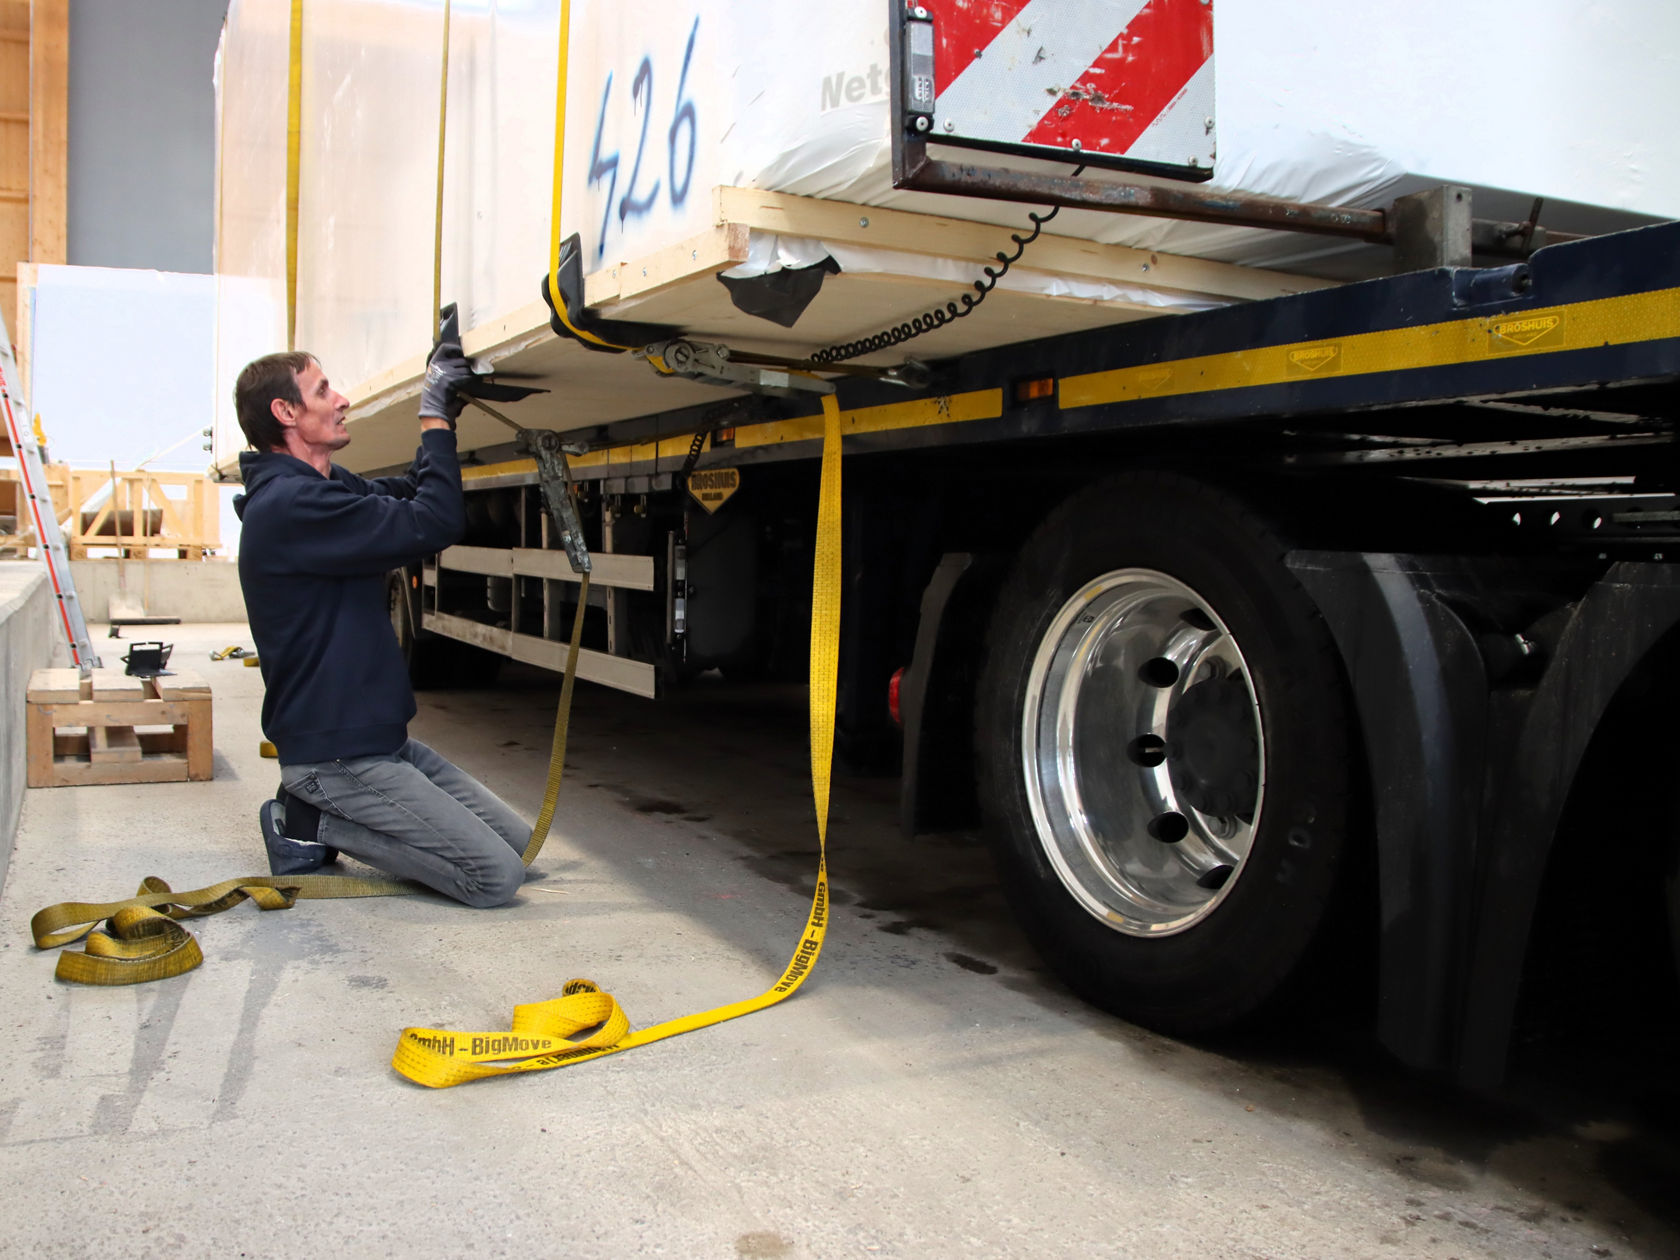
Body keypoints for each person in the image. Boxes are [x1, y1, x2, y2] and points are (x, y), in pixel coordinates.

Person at [231, 322, 529, 907]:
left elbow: (416, 491)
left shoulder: (323, 489)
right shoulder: (292, 507)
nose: (341, 400)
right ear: (285, 413)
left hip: (383, 744)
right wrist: (430, 417)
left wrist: (446, 410)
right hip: (335, 754)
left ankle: (317, 814)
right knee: (495, 877)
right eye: (323, 392)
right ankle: (310, 824)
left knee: (520, 846)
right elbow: (435, 522)